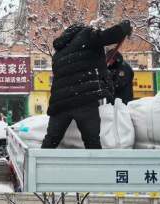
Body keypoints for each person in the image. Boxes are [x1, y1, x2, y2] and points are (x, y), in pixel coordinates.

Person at [42, 20, 133, 149]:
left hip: (60, 104)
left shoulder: (59, 53)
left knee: (51, 140)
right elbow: (106, 36)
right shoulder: (85, 35)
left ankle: (37, 166)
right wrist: (123, 28)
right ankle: (97, 168)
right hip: (83, 100)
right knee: (92, 141)